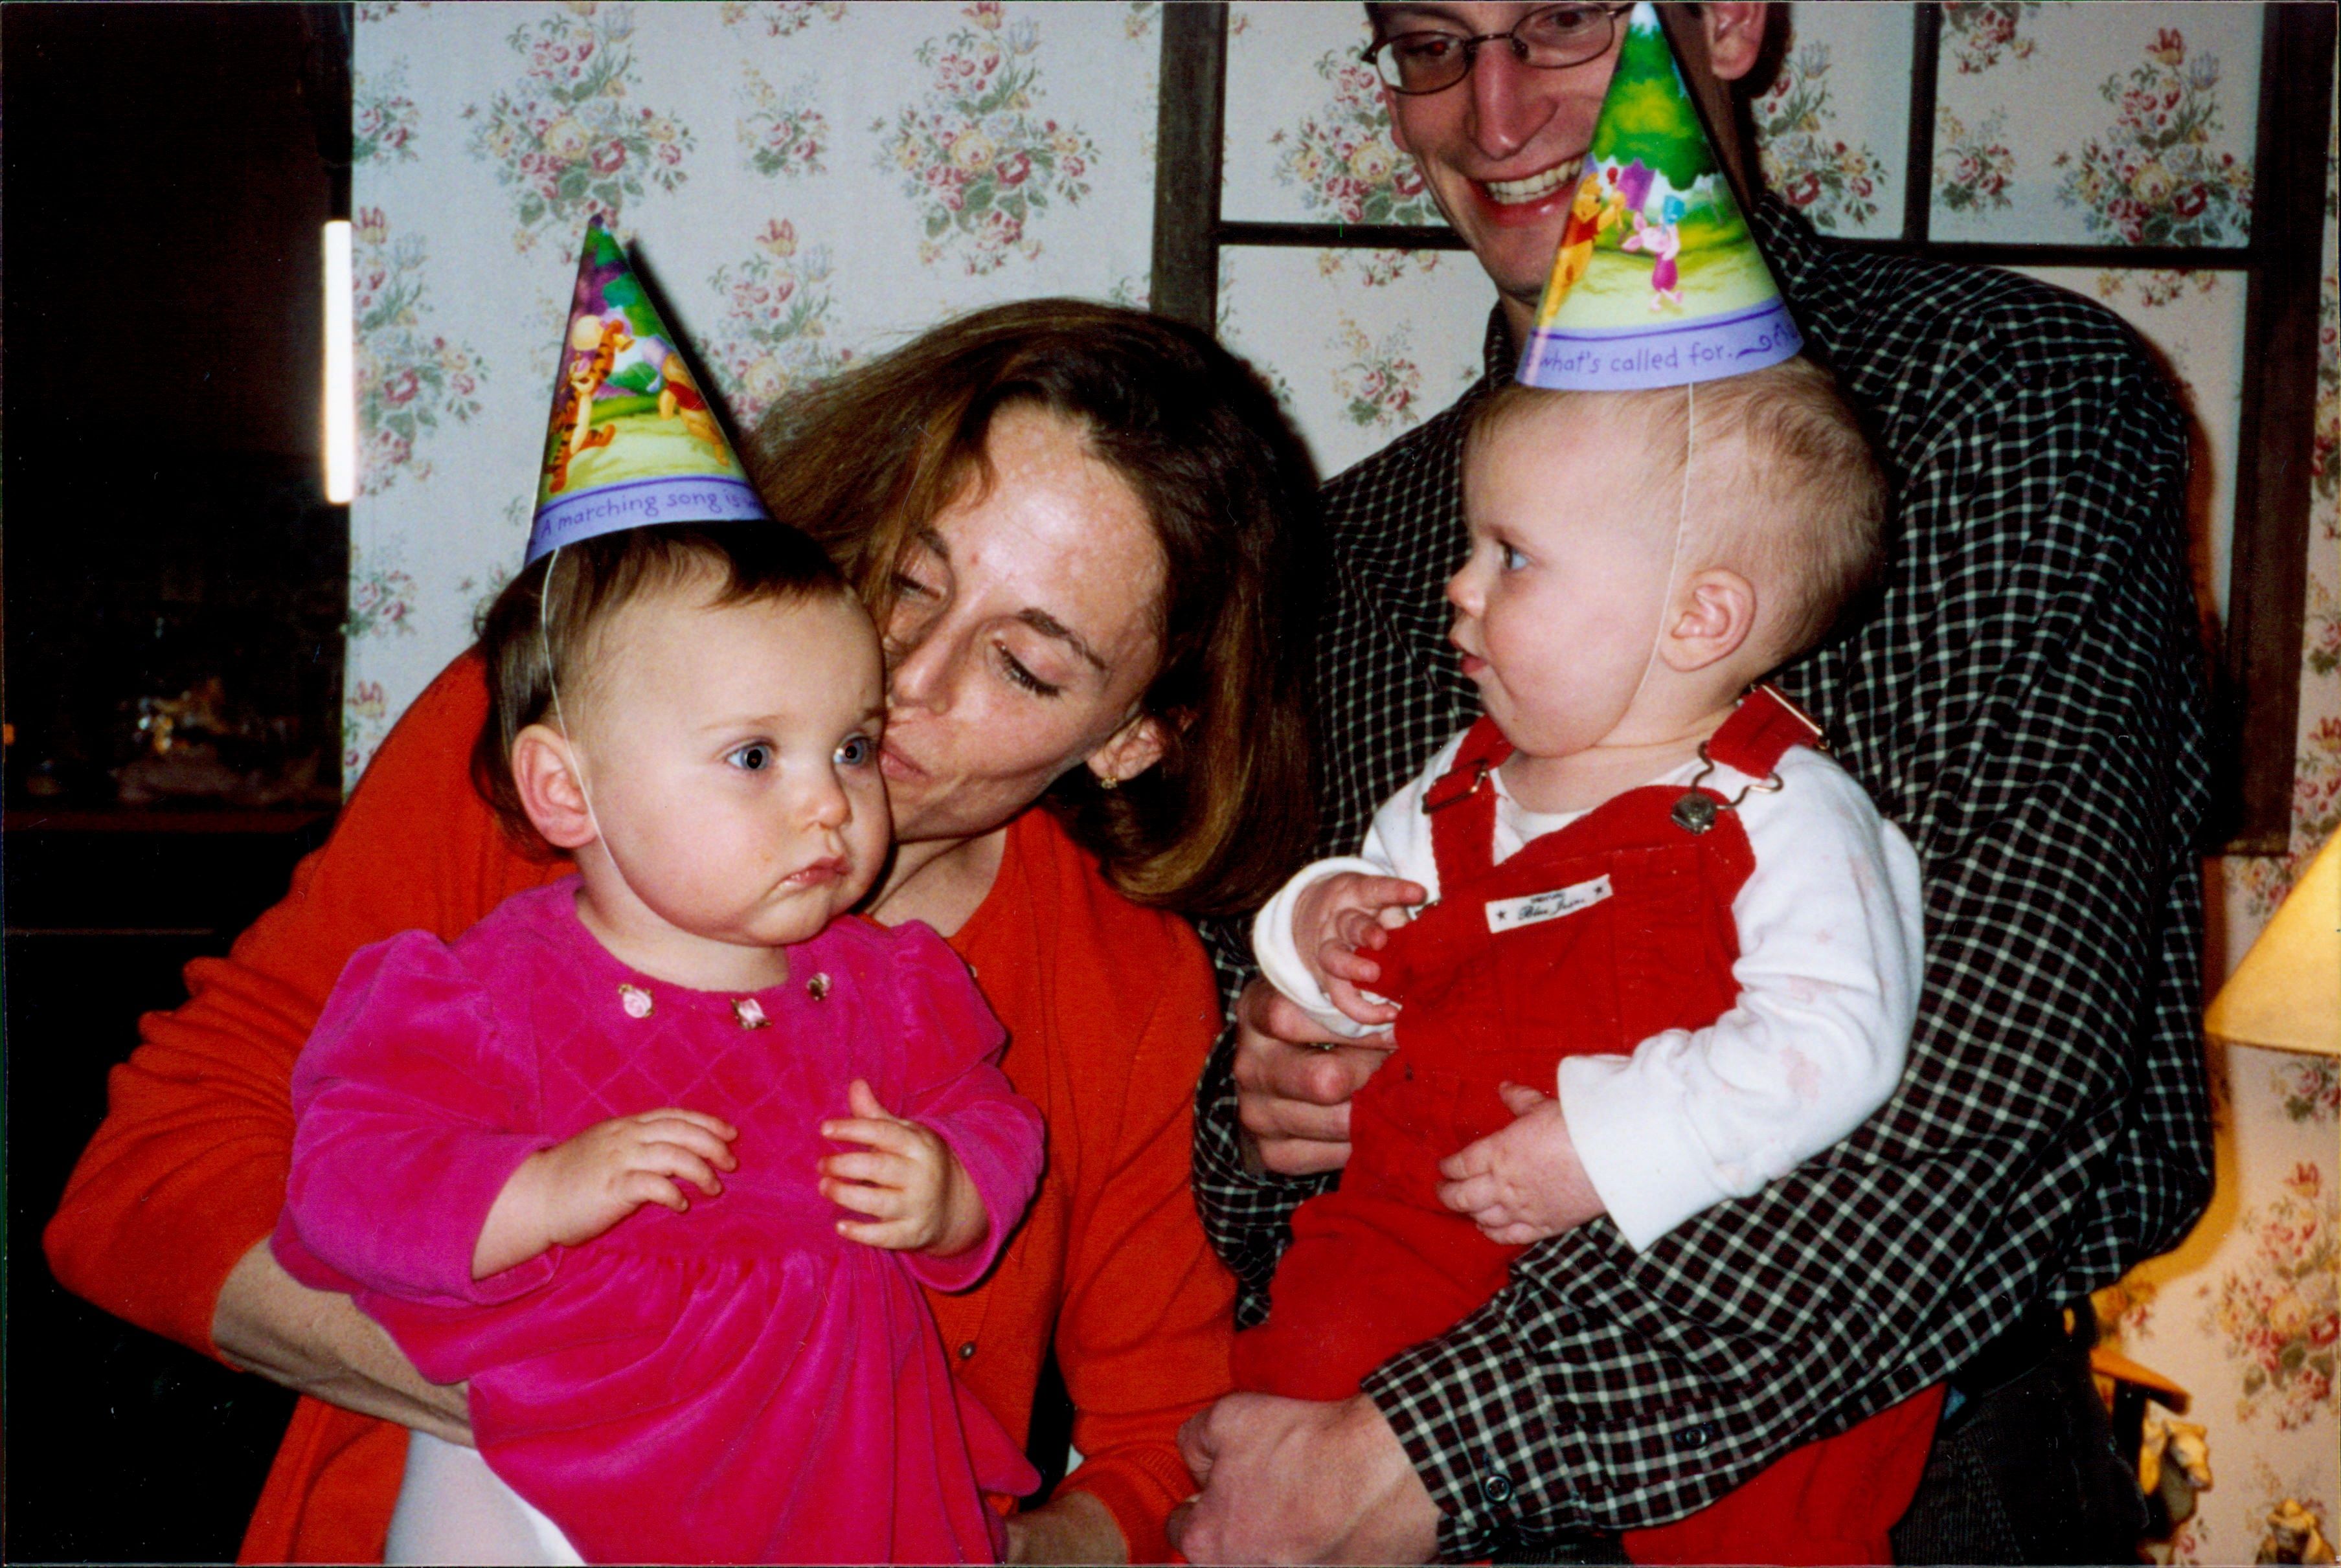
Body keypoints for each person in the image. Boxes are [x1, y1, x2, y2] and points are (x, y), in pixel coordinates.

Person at [46, 298, 1322, 1565]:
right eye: (907, 577)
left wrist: (975, 1539)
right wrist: (618, 1424)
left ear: (1131, 734)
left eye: (1024, 668)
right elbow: (145, 1182)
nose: (906, 675)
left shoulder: (1120, 983)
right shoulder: (564, 751)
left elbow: (1164, 1443)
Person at [1177, 3, 2210, 1562]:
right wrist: (1269, 1086)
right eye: (1431, 43)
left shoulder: (1999, 408)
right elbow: (1230, 1118)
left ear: (1726, 18)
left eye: (1564, 20)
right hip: (1380, 1400)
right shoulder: (1367, 547)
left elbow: (1994, 1086)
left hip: (1876, 1450)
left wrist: (1435, 1443)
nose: (1498, 109)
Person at [1237, 364, 1940, 1567]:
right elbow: (1354, 971)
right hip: (1422, 1212)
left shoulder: (1781, 810)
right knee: (1281, 1402)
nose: (1458, 584)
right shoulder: (1458, 785)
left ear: (1698, 617)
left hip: (1697, 1259)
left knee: (1771, 1513)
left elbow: (1836, 1040)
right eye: (1472, 544)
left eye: (1511, 555)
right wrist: (1318, 932)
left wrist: (1602, 1145)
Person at [275, 523, 1046, 1564]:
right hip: (537, 1465)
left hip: (836, 1470)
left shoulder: (890, 985)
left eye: (851, 748)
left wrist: (953, 1187)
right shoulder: (487, 994)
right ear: (566, 788)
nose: (830, 802)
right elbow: (344, 1174)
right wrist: (537, 1190)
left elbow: (994, 1112)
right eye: (755, 756)